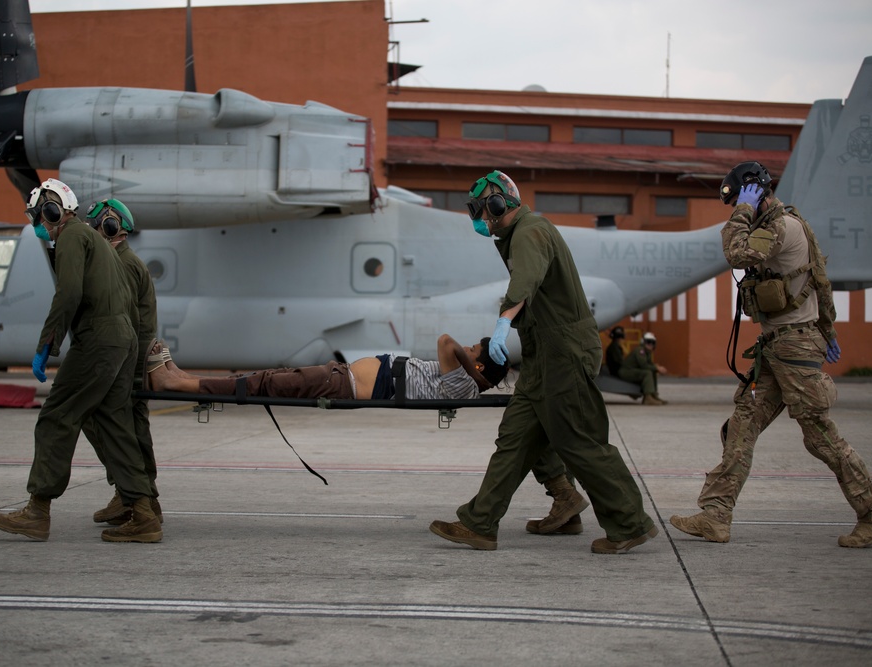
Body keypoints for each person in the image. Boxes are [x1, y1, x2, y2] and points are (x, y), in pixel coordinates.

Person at [430, 170, 658, 554]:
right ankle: (480, 523)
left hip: (564, 353)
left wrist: (503, 322)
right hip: (541, 357)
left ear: (503, 202)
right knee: (515, 439)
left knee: (579, 440)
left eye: (485, 209)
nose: (481, 218)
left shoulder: (530, 231)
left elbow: (527, 280)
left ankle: (629, 523)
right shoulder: (516, 235)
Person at [670, 161, 872, 548]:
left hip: (794, 348)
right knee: (741, 427)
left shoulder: (781, 226)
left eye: (740, 200)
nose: (736, 210)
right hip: (778, 346)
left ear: (755, 192)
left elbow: (736, 253)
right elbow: (821, 283)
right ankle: (715, 516)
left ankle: (871, 515)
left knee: (821, 438)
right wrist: (827, 329)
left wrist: (744, 211)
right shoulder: (788, 224)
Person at [0, 179, 162, 544]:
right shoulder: (99, 243)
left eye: (40, 216)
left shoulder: (70, 237)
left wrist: (46, 344)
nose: (40, 224)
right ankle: (144, 514)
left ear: (52, 211)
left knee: (57, 416)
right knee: (115, 424)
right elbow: (129, 306)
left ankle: (37, 511)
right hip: (121, 339)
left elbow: (68, 293)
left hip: (99, 340)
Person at [80, 198, 163, 527]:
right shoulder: (123, 261)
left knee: (111, 423)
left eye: (96, 225)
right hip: (135, 355)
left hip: (128, 357)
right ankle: (141, 498)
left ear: (111, 226)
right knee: (132, 427)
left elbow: (119, 318)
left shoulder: (121, 264)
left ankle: (133, 495)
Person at [144, 334, 509, 400]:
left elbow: (446, 341)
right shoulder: (462, 378)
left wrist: (476, 373)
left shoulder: (464, 383)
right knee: (263, 380)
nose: (466, 346)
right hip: (342, 377)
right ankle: (181, 378)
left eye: (474, 348)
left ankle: (172, 383)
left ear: (478, 364)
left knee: (261, 384)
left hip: (343, 384)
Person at [619, 331, 668, 405]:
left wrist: (656, 367)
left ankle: (653, 395)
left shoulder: (647, 352)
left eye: (652, 342)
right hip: (626, 371)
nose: (650, 344)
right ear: (643, 342)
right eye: (648, 342)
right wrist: (657, 368)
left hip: (632, 371)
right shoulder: (640, 350)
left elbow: (649, 364)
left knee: (652, 371)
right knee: (647, 373)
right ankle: (648, 398)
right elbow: (644, 365)